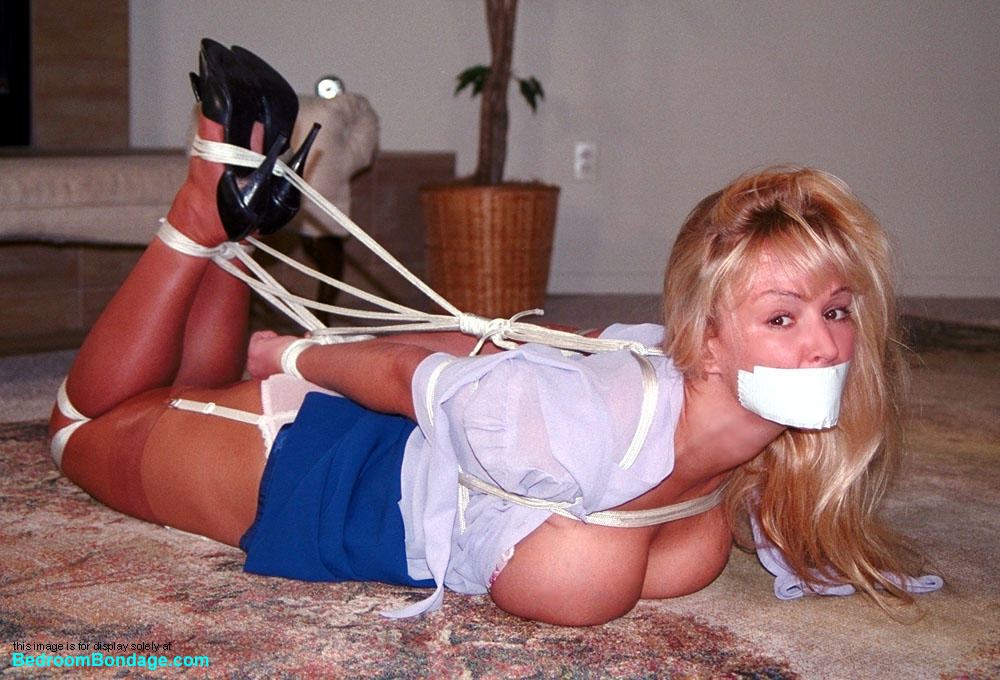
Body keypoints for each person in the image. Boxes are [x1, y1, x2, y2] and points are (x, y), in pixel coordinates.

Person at [49, 40, 939, 627]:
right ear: (706, 339)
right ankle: (199, 214)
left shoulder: (676, 384)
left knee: (183, 398)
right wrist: (291, 352)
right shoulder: (571, 425)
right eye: (782, 317)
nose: (824, 345)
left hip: (395, 455)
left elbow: (513, 345)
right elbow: (411, 375)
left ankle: (234, 220)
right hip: (303, 466)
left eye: (837, 310)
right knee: (80, 431)